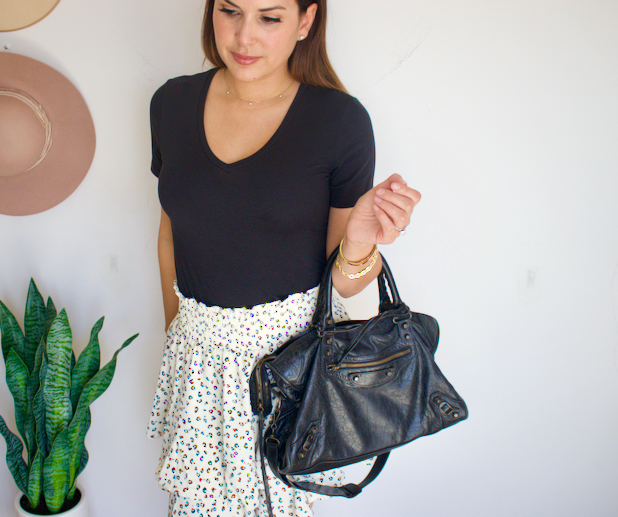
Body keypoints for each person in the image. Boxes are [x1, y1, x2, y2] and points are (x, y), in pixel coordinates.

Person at [147, 1, 421, 515]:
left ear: (305, 21)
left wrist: (362, 241)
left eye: (269, 17)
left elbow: (340, 288)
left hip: (289, 371)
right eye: (229, 10)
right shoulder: (171, 103)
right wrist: (177, 331)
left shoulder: (339, 121)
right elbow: (170, 232)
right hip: (195, 363)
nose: (243, 35)